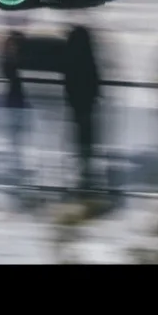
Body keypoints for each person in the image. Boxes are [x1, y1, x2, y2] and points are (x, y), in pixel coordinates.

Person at [63, 24, 102, 199]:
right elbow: (93, 78)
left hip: (77, 105)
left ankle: (83, 176)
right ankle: (86, 176)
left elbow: (69, 81)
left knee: (80, 141)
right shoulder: (88, 55)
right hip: (87, 104)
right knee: (87, 141)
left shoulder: (72, 55)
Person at [0, 30, 29, 187]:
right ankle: (15, 165)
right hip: (15, 102)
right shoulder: (13, 62)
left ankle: (15, 165)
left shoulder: (13, 61)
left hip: (15, 102)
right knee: (14, 137)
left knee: (15, 137)